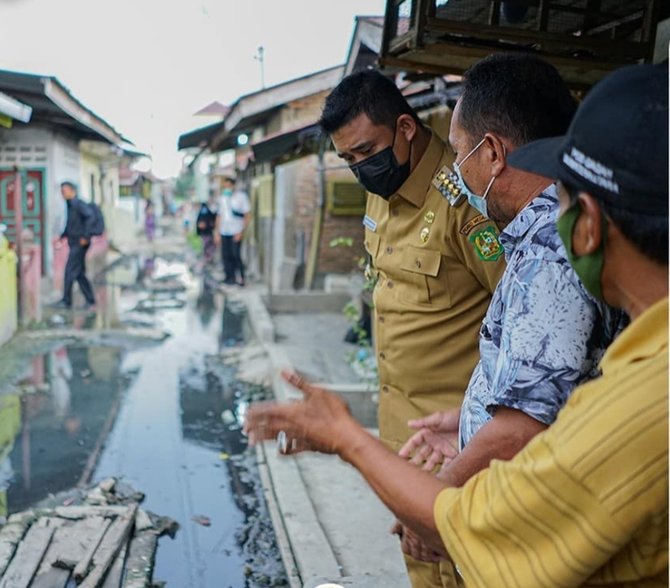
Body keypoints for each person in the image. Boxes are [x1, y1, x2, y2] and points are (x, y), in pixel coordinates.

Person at [245, 62, 668, 587]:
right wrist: (466, 416)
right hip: (434, 435)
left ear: (587, 224)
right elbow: (534, 359)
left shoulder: (637, 395)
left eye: (560, 193)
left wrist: (345, 436)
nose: (548, 210)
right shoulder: (637, 363)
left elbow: (518, 436)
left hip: (474, 473)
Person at [393, 53, 625, 575]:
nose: (457, 170)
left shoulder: (547, 250)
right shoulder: (549, 234)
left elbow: (525, 426)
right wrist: (469, 420)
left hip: (539, 530)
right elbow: (553, 379)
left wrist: (432, 507)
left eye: (458, 153)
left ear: (493, 151)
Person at [52, 181, 96, 310]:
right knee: (79, 273)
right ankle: (90, 299)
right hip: (74, 242)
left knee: (70, 271)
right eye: (61, 191)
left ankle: (67, 301)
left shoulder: (78, 204)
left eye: (64, 191)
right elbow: (71, 224)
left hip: (80, 243)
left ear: (72, 191)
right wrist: (63, 236)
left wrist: (86, 236)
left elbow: (90, 217)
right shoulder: (70, 205)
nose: (62, 193)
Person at [214, 176, 251, 286]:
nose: (227, 188)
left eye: (228, 186)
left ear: (233, 185)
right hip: (224, 231)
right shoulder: (222, 199)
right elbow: (219, 216)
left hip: (236, 230)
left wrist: (241, 231)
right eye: (225, 186)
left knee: (236, 255)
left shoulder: (241, 197)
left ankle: (241, 278)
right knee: (226, 255)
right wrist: (217, 232)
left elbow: (247, 215)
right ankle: (229, 278)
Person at [196, 191, 218, 266]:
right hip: (206, 232)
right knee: (207, 246)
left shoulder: (208, 209)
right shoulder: (205, 209)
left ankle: (209, 259)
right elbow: (201, 223)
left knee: (209, 246)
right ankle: (208, 259)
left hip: (208, 231)